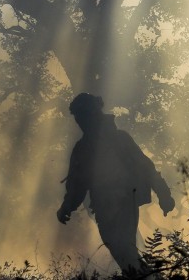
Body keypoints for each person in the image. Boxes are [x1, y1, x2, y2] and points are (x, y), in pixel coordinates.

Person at [57, 93, 175, 275]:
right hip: (104, 208)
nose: (80, 120)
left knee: (124, 250)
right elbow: (77, 184)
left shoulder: (118, 140)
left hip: (125, 202)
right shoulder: (83, 148)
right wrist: (67, 206)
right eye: (78, 116)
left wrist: (164, 194)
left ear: (93, 114)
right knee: (121, 252)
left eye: (83, 114)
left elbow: (145, 167)